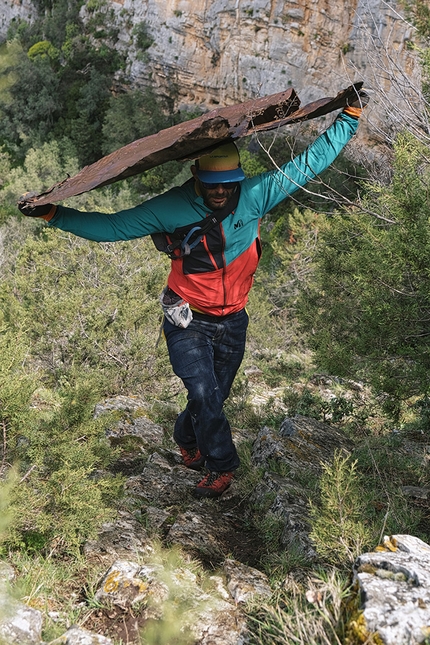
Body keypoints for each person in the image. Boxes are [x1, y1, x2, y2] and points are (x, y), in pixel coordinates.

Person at [18, 91, 368, 499]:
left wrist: (350, 116)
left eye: (228, 185)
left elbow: (308, 164)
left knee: (212, 397)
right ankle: (220, 467)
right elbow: (111, 228)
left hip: (234, 319)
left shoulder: (255, 195)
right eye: (212, 185)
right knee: (204, 393)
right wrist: (53, 215)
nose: (221, 193)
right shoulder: (171, 207)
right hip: (186, 316)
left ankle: (185, 434)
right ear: (197, 177)